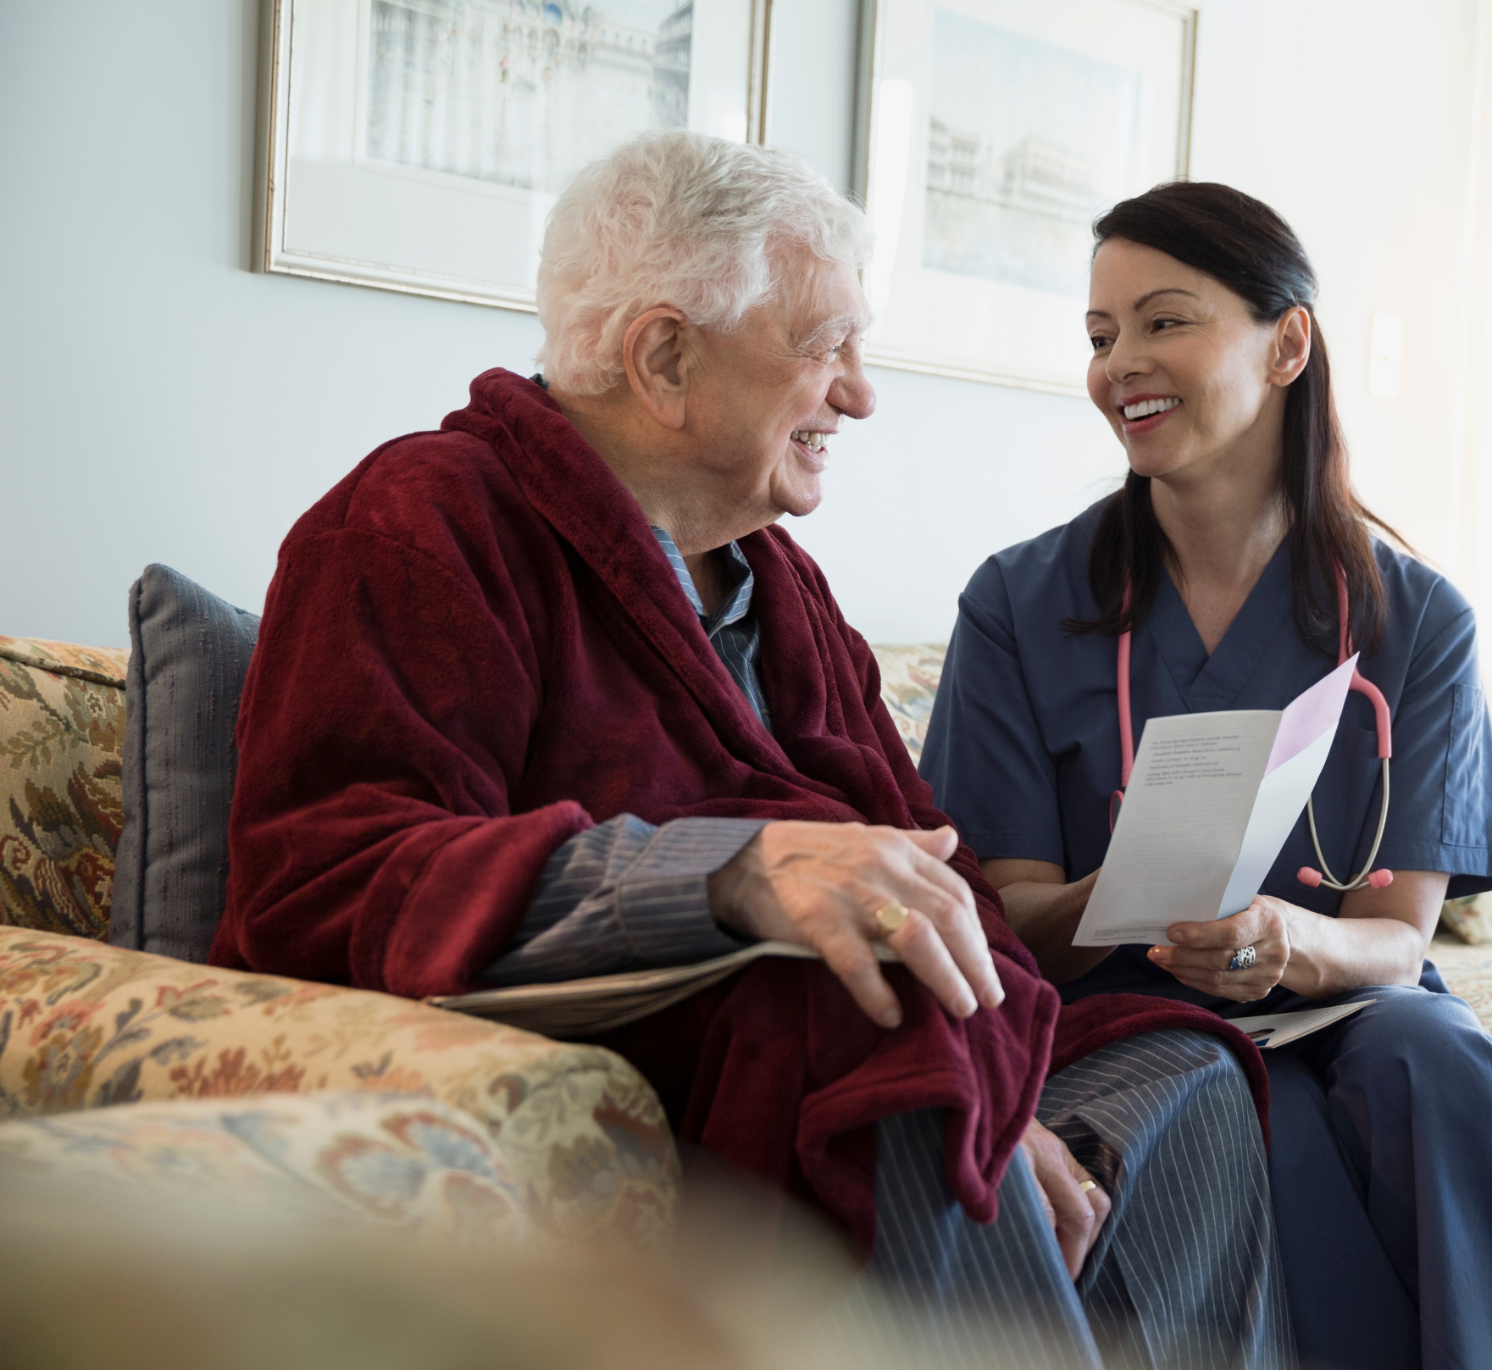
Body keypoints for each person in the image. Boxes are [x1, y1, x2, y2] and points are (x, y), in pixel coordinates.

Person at [211, 132, 1290, 1370]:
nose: (862, 392)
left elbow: (918, 854)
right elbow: (328, 869)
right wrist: (729, 872)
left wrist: (998, 1091)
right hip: (614, 1020)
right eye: (826, 344)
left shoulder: (788, 593)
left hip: (853, 1046)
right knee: (873, 1004)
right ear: (664, 356)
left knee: (1176, 1057)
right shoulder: (417, 523)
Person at [919, 181, 1492, 1370]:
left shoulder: (1415, 618)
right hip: (1121, 1008)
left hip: (1346, 1000)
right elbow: (1006, 924)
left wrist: (1287, 940)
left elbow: (1393, 932)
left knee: (1443, 1066)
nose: (1123, 363)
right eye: (1100, 334)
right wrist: (1129, 889)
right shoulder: (1017, 603)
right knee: (1276, 1126)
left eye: (1164, 320)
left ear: (1287, 343)